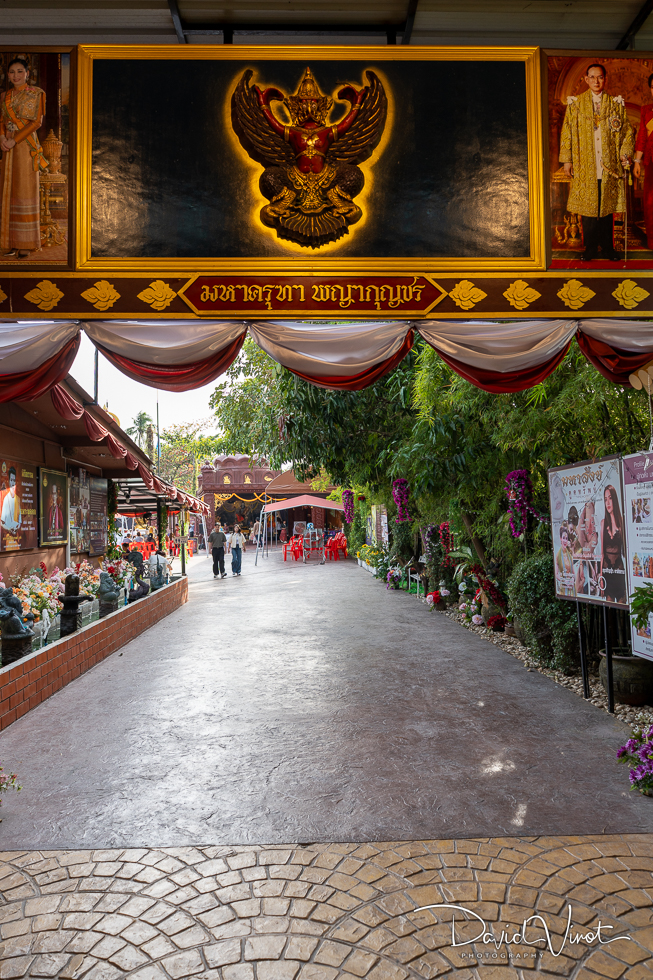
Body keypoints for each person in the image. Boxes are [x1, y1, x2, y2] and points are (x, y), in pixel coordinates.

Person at [559, 63, 634, 262]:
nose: (596, 81)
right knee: (589, 210)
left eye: (600, 77)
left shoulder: (616, 104)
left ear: (605, 79)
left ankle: (608, 248)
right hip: (585, 165)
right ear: (585, 79)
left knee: (606, 209)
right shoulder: (576, 105)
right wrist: (567, 160)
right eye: (592, 77)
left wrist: (625, 153)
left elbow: (627, 132)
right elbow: (566, 133)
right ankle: (590, 248)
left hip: (609, 166)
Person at [0, 58, 48, 259]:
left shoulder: (36, 94)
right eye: (12, 72)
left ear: (28, 73)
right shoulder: (4, 96)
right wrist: (2, 137)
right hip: (7, 145)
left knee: (24, 190)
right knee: (7, 191)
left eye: (20, 71)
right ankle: (10, 241)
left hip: (25, 146)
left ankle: (26, 242)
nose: (16, 75)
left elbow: (36, 122)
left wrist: (14, 140)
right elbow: (2, 120)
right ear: (7, 74)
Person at [633, 73, 653, 249]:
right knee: (650, 202)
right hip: (651, 162)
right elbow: (641, 138)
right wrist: (637, 161)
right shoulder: (646, 110)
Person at [601, 484, 626, 603]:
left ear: (614, 499)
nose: (608, 502)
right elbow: (601, 554)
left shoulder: (622, 524)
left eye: (610, 498)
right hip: (607, 574)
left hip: (620, 571)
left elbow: (625, 552)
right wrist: (601, 577)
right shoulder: (603, 523)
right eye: (605, 499)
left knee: (622, 604)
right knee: (609, 606)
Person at [555, 522, 575, 597]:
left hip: (572, 588)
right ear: (560, 538)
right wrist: (564, 581)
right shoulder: (558, 555)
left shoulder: (569, 555)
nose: (565, 541)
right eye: (563, 538)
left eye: (566, 539)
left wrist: (572, 579)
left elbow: (573, 573)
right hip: (563, 588)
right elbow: (556, 574)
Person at [0, 466, 20, 536]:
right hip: (8, 539)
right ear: (8, 481)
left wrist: (17, 527)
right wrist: (9, 529)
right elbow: (1, 523)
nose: (13, 483)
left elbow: (19, 521)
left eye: (14, 481)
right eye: (11, 480)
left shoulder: (18, 499)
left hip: (17, 540)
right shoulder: (6, 499)